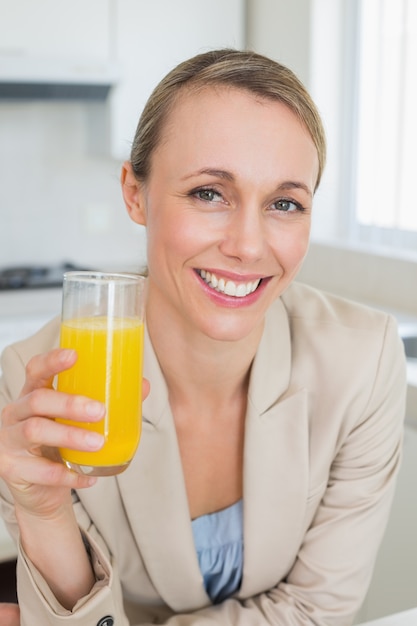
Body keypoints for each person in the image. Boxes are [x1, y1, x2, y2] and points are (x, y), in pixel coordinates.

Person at [0, 49, 407, 626]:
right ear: (135, 194)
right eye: (209, 193)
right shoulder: (38, 384)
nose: (247, 244)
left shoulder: (361, 360)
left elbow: (317, 611)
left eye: (285, 203)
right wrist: (42, 514)